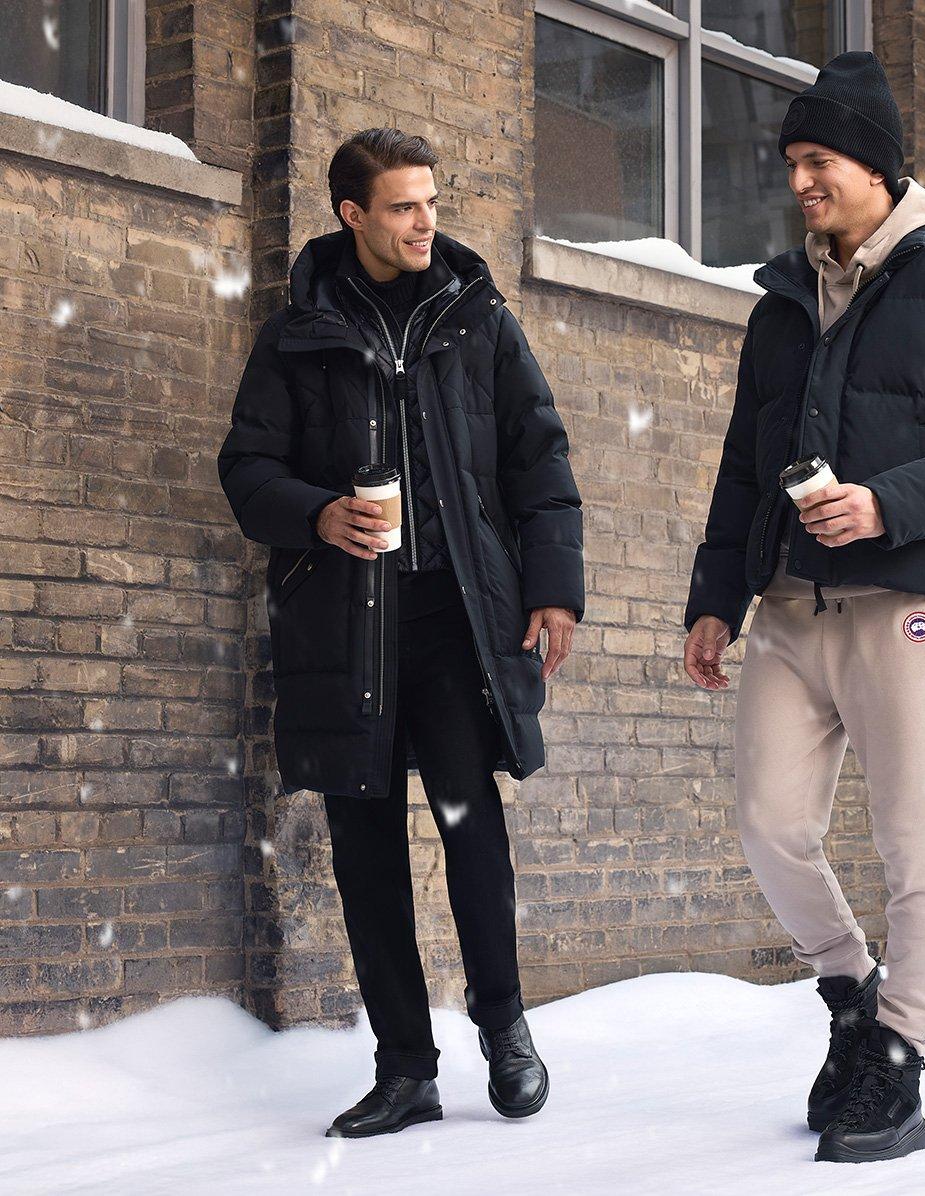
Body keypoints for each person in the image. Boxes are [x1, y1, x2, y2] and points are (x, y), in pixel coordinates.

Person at [682, 52, 925, 1163]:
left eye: (820, 160)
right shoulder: (782, 307)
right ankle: (850, 986)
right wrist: (714, 599)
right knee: (769, 819)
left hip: (908, 605)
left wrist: (885, 504)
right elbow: (746, 464)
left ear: (878, 169)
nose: (801, 180)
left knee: (915, 843)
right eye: (792, 161)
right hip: (789, 607)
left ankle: (896, 1057)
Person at [218, 127, 583, 1137]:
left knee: (474, 836)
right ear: (353, 215)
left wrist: (553, 591)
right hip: (344, 631)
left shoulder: (478, 321)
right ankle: (405, 1067)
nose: (427, 220)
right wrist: (317, 512)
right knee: (365, 856)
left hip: (456, 628)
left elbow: (540, 466)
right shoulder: (297, 335)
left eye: (432, 200)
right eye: (404, 205)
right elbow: (246, 471)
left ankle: (507, 1029)